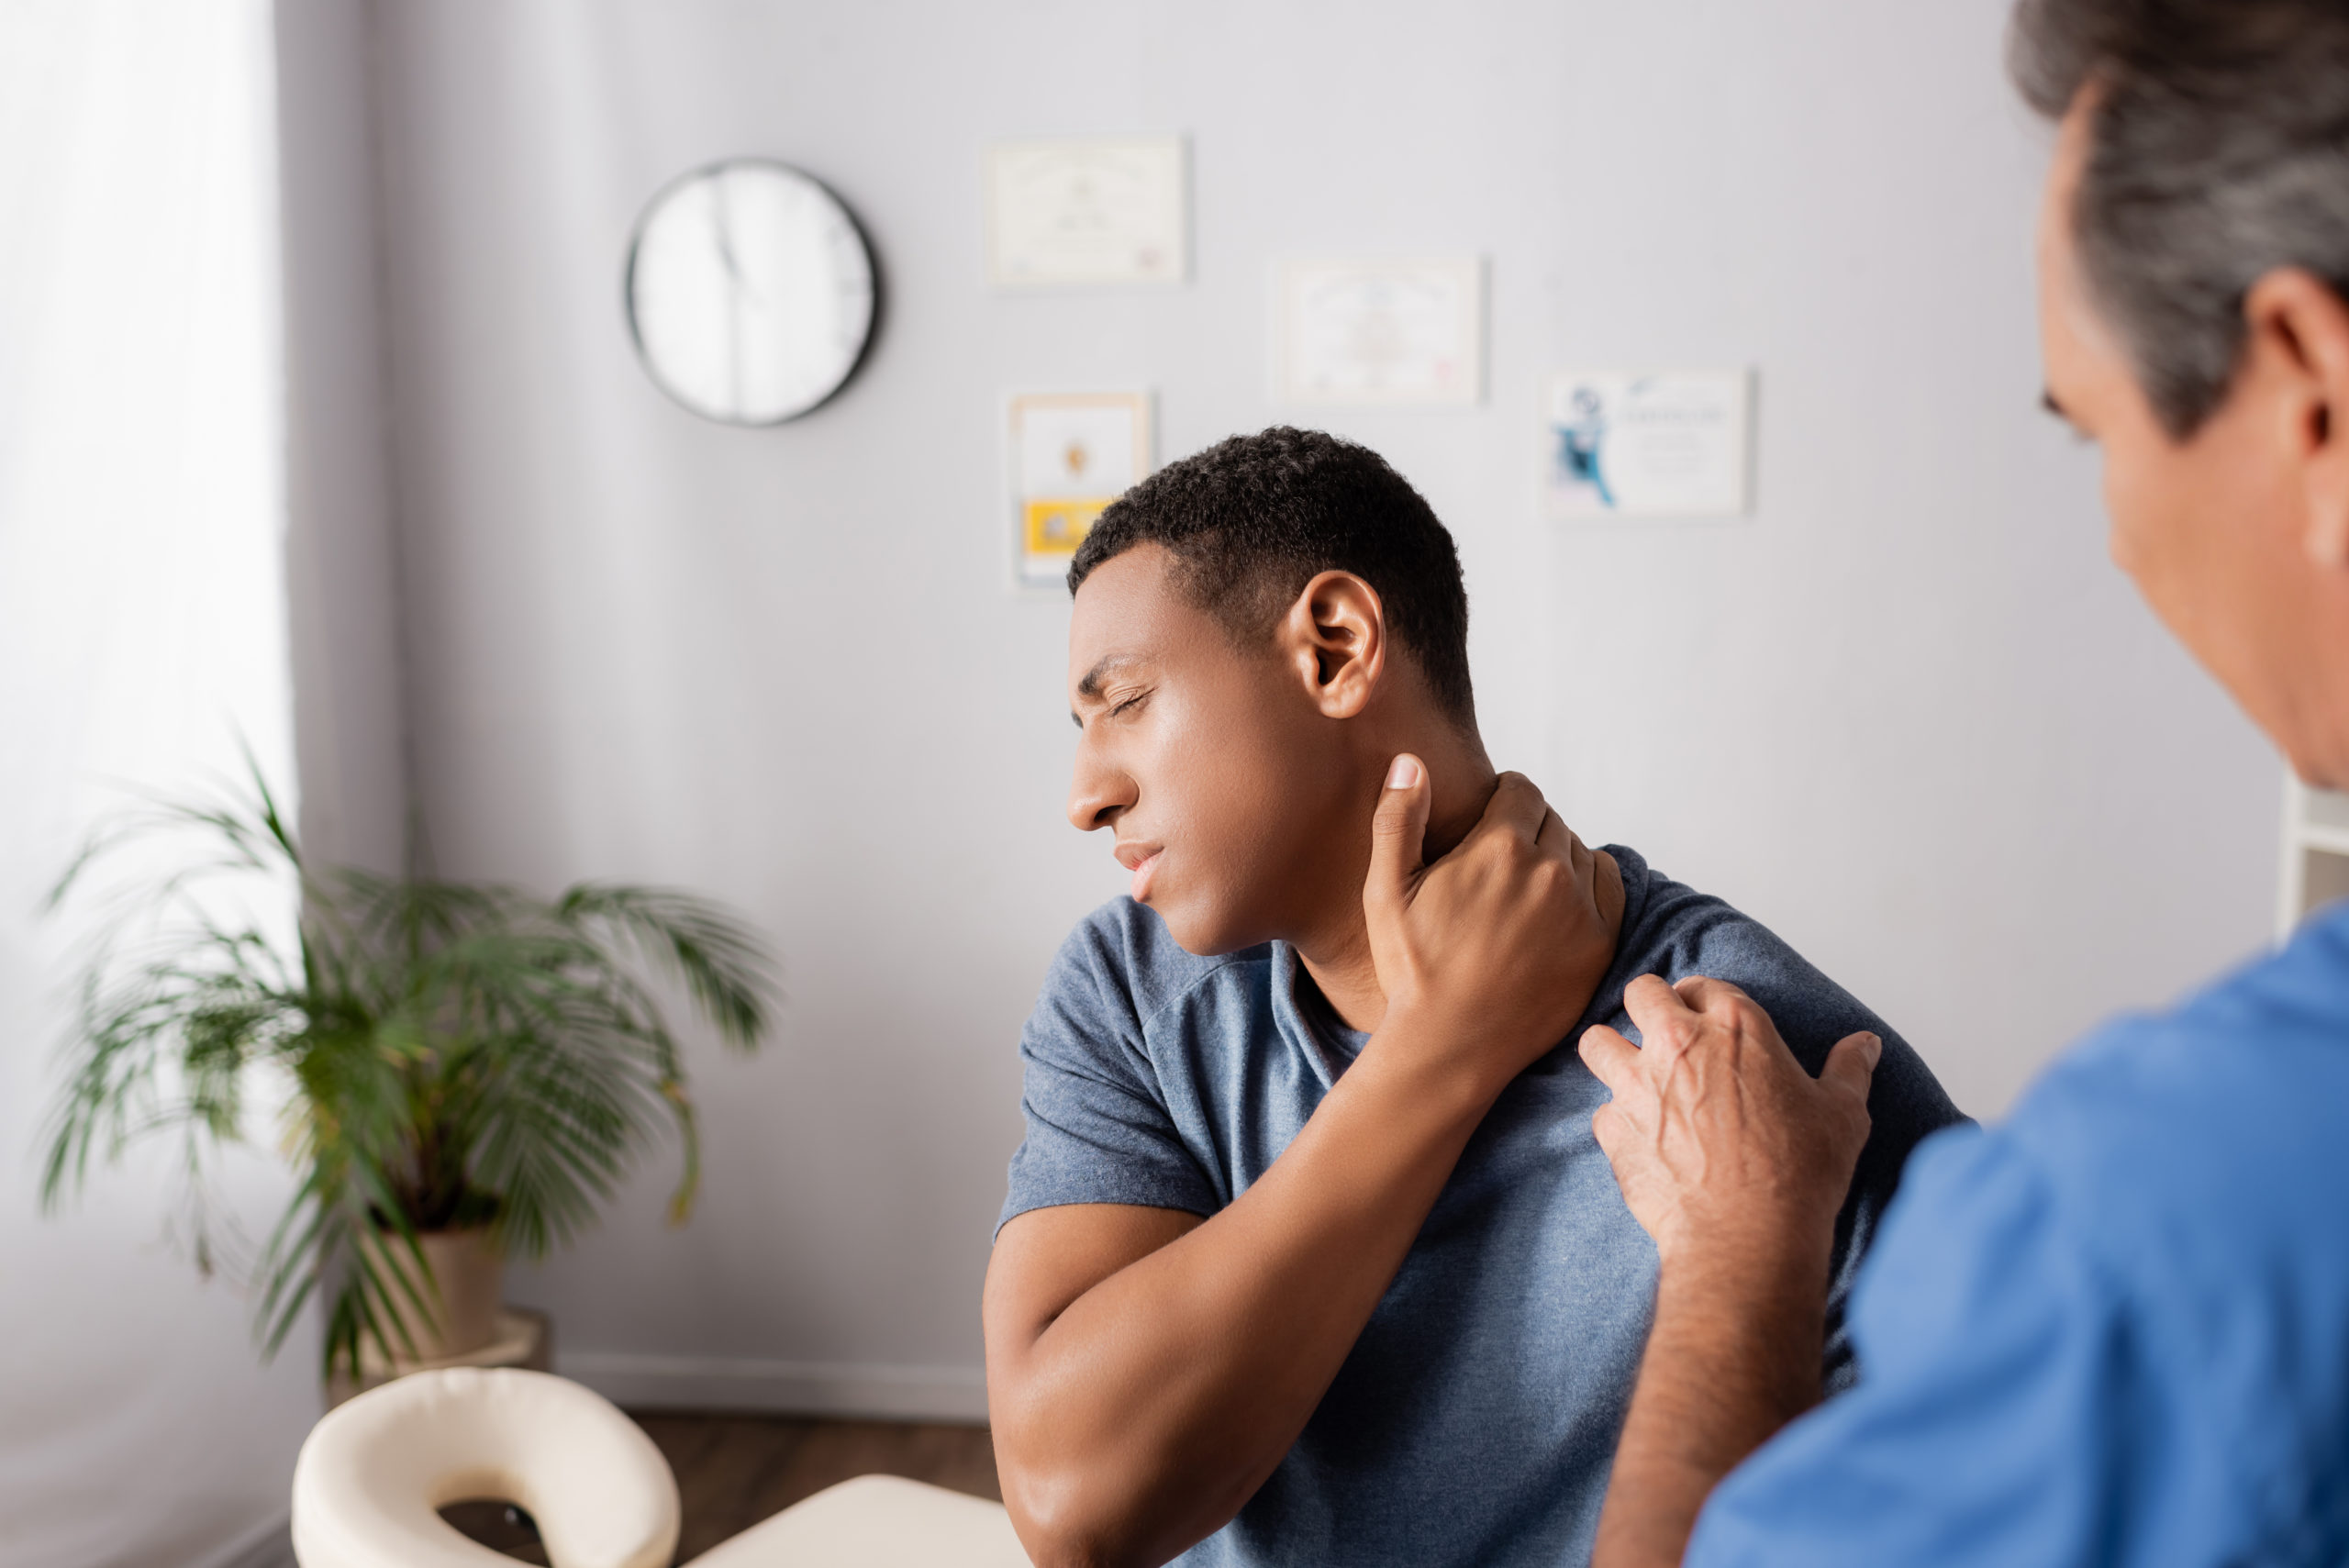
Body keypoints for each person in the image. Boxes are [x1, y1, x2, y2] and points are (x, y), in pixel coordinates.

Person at [1578, 2, 2349, 1564]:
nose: (2124, 535)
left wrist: (1739, 1250)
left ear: (2312, 392)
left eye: (2097, 434)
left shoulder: (2157, 1229)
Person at [980, 427, 1965, 1568]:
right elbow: (1071, 1504)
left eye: (1129, 701)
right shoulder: (1129, 992)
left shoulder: (1746, 1063)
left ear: (1336, 648)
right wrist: (1436, 1052)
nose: (1084, 794)